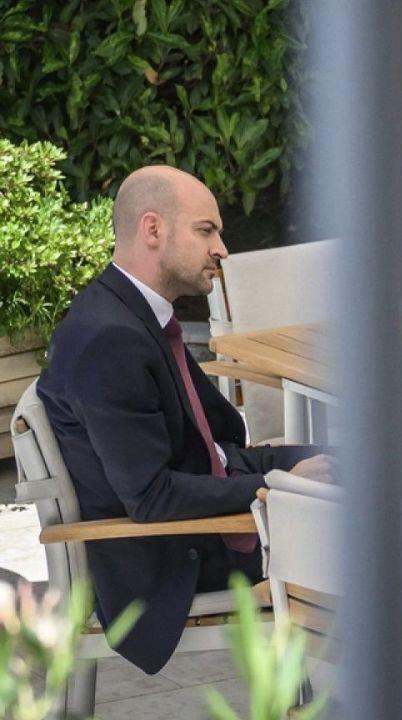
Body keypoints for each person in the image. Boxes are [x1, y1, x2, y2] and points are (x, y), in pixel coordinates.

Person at [38, 165, 330, 674]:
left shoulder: (131, 313)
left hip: (206, 506)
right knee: (376, 534)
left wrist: (301, 467)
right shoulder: (110, 339)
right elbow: (152, 498)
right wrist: (279, 486)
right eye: (206, 231)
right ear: (153, 229)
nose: (222, 249)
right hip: (176, 558)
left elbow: (209, 450)